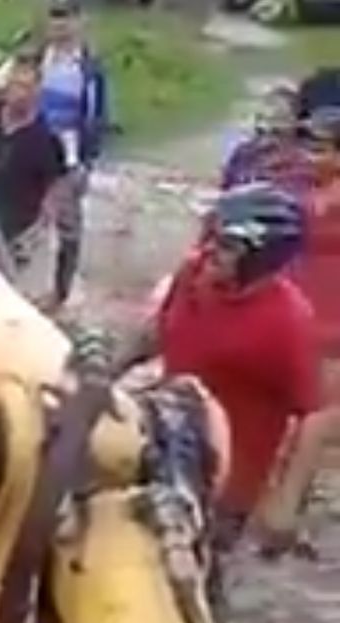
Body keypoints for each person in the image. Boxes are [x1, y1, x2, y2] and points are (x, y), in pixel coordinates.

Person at [138, 183, 320, 548]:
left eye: (226, 246)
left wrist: (285, 501)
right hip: (168, 440)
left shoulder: (287, 321)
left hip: (224, 479)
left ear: (260, 258)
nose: (210, 251)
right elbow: (157, 334)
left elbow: (310, 415)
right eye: (212, 238)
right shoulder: (193, 274)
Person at [257, 108, 340, 556]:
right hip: (322, 313)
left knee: (308, 415)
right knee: (319, 418)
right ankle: (283, 513)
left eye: (321, 149)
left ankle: (279, 506)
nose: (311, 156)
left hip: (315, 307)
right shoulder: (314, 193)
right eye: (310, 147)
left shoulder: (311, 195)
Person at [0, 52, 67, 304]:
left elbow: (54, 184)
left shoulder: (46, 139)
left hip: (18, 231)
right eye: (14, 85)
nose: (17, 93)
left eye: (25, 86)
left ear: (37, 92)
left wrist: (42, 227)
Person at [35, 0, 109, 307]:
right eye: (55, 18)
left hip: (69, 157)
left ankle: (60, 291)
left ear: (80, 22)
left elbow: (96, 117)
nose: (60, 25)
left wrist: (86, 161)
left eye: (66, 18)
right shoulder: (39, 57)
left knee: (67, 225)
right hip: (33, 150)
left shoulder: (89, 68)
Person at [220, 84, 312, 193]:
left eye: (279, 119)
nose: (268, 128)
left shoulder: (308, 159)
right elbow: (225, 189)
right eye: (263, 119)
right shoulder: (244, 153)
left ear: (297, 122)